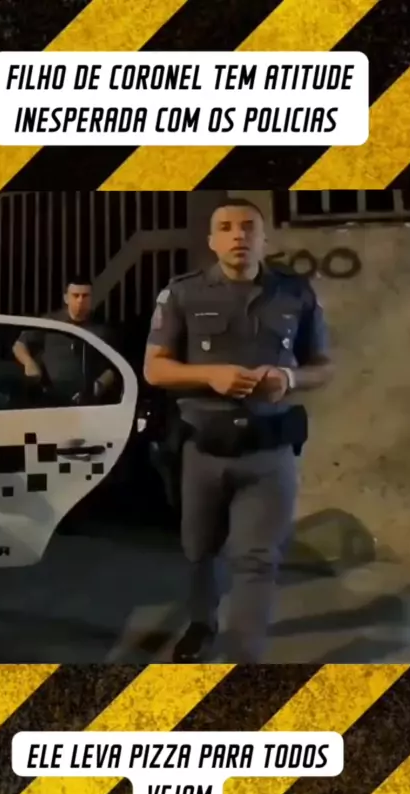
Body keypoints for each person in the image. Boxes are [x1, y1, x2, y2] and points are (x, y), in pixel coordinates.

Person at [143, 197, 334, 663]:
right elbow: (155, 368)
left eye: (248, 226)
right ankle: (201, 621)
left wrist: (288, 377)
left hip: (269, 450)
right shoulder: (182, 293)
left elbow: (323, 365)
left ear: (264, 239)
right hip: (202, 449)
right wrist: (211, 375)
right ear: (212, 241)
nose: (238, 235)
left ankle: (242, 659)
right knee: (198, 549)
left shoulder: (295, 293)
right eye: (226, 227)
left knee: (257, 559)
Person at [12, 278, 117, 404]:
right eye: (76, 295)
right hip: (51, 398)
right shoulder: (50, 322)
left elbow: (114, 365)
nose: (80, 300)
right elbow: (19, 345)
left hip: (88, 402)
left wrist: (100, 385)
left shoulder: (102, 328)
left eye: (85, 296)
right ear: (66, 298)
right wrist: (29, 363)